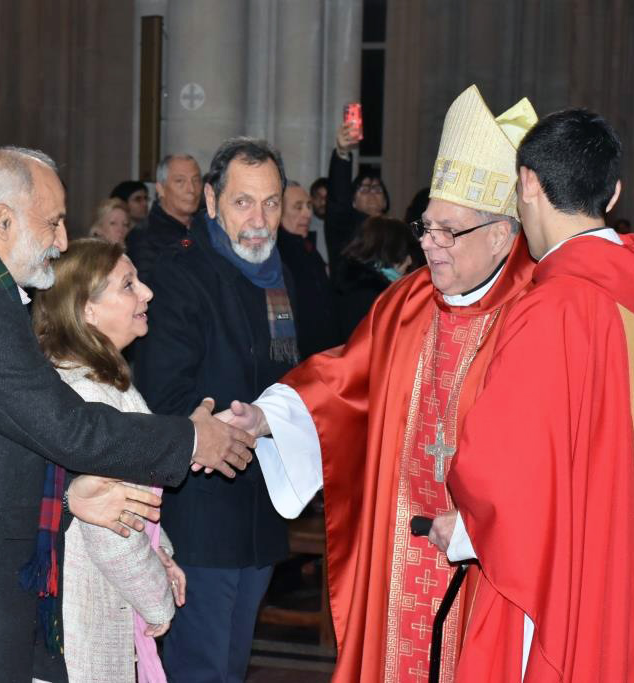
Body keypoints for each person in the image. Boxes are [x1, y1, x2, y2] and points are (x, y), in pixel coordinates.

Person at [0, 146, 254, 683]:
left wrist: (73, 496)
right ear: (3, 220)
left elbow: (18, 436)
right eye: (53, 222)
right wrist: (193, 440)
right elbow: (68, 428)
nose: (61, 240)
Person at [216, 85, 539, 682]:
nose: (428, 245)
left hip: (491, 566)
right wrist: (267, 418)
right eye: (426, 226)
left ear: (502, 234)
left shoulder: (536, 314)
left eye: (449, 232)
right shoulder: (410, 301)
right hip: (402, 552)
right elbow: (344, 376)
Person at [427, 108, 634, 682]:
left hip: (580, 586)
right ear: (613, 193)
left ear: (529, 186)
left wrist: (467, 529)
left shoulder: (554, 309)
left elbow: (502, 471)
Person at [133, 137, 298, 682]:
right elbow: (162, 393)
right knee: (199, 667)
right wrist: (219, 427)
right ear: (211, 200)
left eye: (271, 202)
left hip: (265, 505)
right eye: (243, 202)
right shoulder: (180, 275)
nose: (260, 219)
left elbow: (305, 369)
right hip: (202, 507)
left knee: (231, 663)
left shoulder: (285, 272)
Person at [31, 239, 186, 683]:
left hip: (105, 596)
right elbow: (113, 529)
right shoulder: (88, 393)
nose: (147, 293)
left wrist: (166, 556)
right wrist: (157, 598)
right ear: (87, 311)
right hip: (91, 605)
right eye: (128, 285)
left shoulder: (105, 380)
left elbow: (142, 499)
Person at [277, 181, 337, 358]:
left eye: (309, 206)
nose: (307, 214)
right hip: (297, 357)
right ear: (278, 212)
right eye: (298, 207)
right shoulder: (276, 255)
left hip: (323, 354)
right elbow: (280, 316)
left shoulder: (309, 248)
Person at [331, 216, 414, 342]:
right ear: (389, 251)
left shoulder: (357, 286)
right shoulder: (372, 297)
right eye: (404, 252)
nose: (409, 261)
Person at [125, 154, 203, 286]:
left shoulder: (206, 227)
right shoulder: (143, 236)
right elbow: (148, 290)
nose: (191, 189)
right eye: (180, 181)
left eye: (196, 180)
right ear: (161, 189)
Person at [324, 122, 391, 272]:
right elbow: (338, 199)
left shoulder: (396, 231)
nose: (372, 192)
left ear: (385, 202)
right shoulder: (344, 228)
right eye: (365, 189)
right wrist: (342, 153)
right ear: (352, 202)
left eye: (377, 189)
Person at [309, 177, 330, 264]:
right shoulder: (305, 224)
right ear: (312, 199)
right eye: (318, 197)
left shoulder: (341, 226)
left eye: (326, 198)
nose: (323, 202)